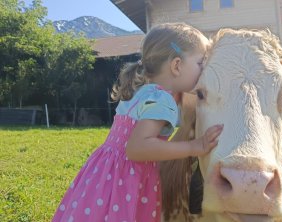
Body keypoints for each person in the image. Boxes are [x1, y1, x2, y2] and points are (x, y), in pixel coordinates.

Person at [52, 22, 223, 222]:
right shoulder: (163, 100)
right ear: (177, 65)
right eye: (200, 63)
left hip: (106, 174)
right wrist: (194, 146)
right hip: (128, 180)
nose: (204, 71)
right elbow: (137, 148)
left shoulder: (144, 91)